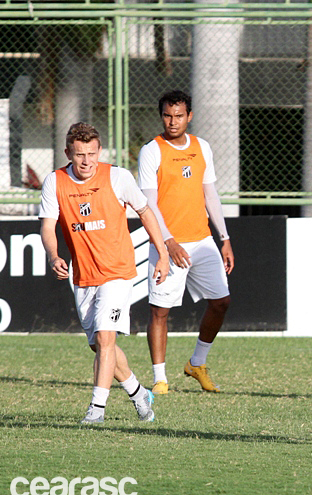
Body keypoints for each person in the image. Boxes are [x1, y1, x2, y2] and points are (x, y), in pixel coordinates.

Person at [39, 122, 170, 424]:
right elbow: (47, 226)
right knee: (98, 345)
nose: (86, 161)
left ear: (100, 151)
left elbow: (146, 211)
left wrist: (162, 253)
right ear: (68, 153)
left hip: (118, 271)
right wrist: (53, 254)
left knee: (105, 336)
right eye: (79, 154)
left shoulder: (117, 176)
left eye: (92, 153)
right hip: (83, 275)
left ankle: (96, 409)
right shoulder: (55, 181)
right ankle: (139, 394)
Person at [137, 90, 234, 394]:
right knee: (160, 311)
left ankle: (197, 363)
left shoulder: (202, 147)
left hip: (202, 240)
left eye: (179, 115)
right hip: (166, 244)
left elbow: (211, 195)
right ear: (161, 116)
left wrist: (225, 237)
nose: (173, 121)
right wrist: (168, 242)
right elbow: (148, 204)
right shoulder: (152, 150)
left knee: (221, 303)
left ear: (189, 116)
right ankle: (160, 378)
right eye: (167, 115)